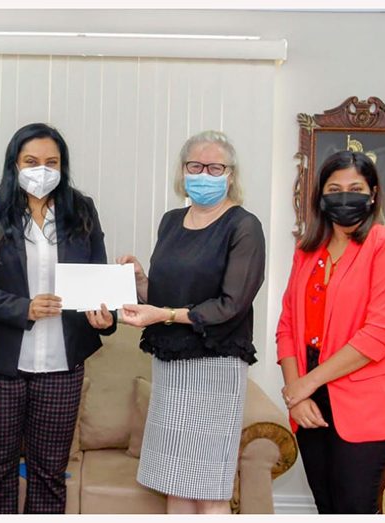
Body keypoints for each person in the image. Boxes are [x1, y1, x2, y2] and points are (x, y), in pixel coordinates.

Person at [0, 122, 116, 514]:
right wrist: (22, 308)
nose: (41, 169)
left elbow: (98, 280)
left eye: (52, 161)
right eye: (31, 161)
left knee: (50, 473)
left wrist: (105, 317)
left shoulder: (82, 209)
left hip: (62, 365)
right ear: (15, 164)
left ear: (63, 166)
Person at [119, 130, 265, 514]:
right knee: (175, 484)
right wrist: (139, 281)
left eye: (215, 166)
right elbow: (165, 297)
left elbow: (231, 304)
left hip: (214, 366)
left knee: (209, 488)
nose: (204, 173)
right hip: (171, 366)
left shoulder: (243, 226)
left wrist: (165, 315)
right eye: (195, 166)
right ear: (182, 172)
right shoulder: (170, 221)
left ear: (230, 174)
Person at [276, 150, 385, 514]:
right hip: (308, 401)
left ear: (372, 193)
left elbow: (378, 335)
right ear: (321, 196)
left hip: (364, 401)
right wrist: (297, 394)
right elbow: (287, 327)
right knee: (327, 507)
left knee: (354, 507)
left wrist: (307, 383)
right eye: (334, 188)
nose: (344, 196)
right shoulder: (307, 252)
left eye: (355, 188)